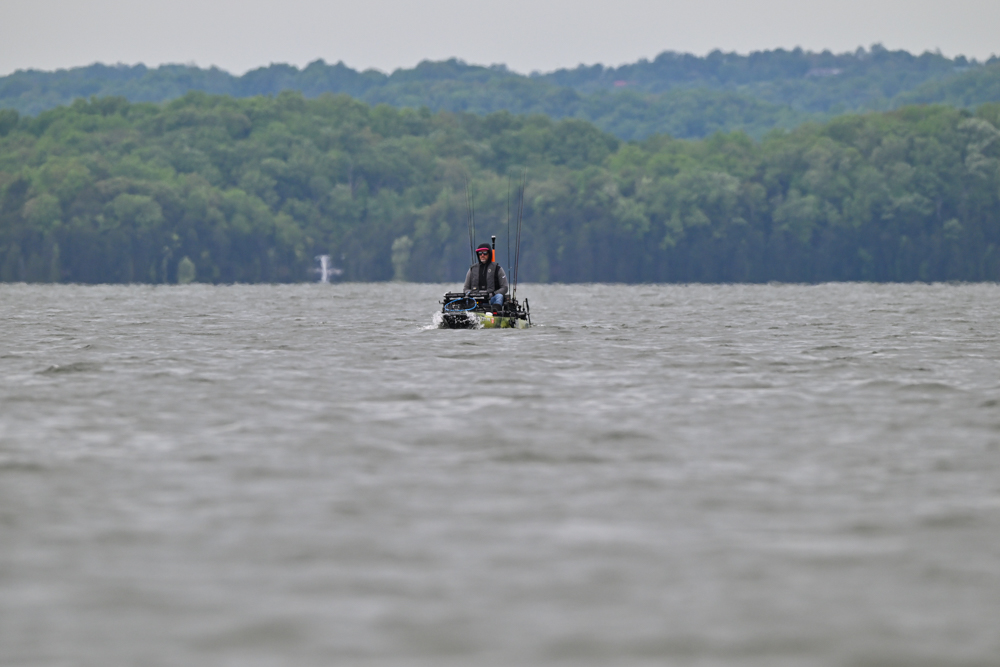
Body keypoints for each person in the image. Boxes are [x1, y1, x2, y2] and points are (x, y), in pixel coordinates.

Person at [464, 243, 508, 310]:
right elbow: (465, 288)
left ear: (489, 254)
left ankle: (496, 311)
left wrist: (493, 294)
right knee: (465, 298)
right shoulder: (472, 269)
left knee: (499, 296)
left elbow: (504, 287)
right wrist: (471, 293)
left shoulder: (497, 269)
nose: (482, 255)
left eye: (485, 253)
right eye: (480, 253)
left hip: (491, 298)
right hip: (475, 299)